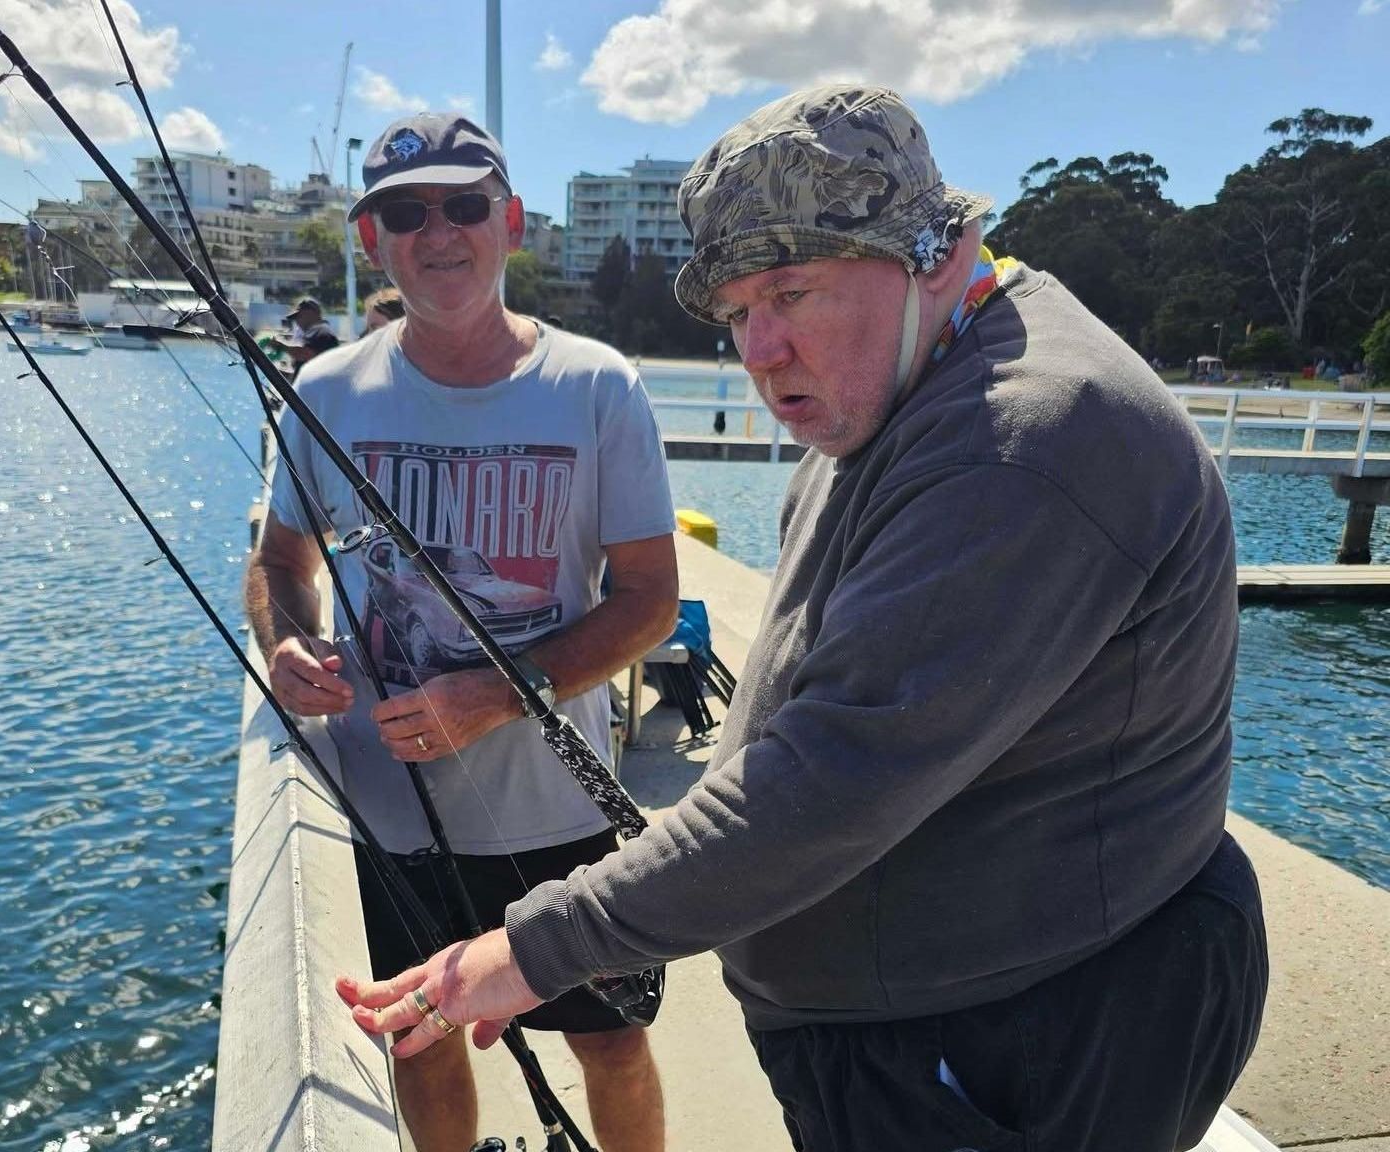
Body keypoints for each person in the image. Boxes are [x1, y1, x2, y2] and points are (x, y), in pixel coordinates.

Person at [339, 85, 1269, 1151]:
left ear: (936, 248)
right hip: (920, 1023)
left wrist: (532, 950)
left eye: (794, 289)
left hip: (1029, 1045)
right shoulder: (902, 381)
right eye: (738, 312)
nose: (761, 352)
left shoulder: (1024, 443)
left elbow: (833, 779)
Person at [247, 110, 676, 1152]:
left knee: (611, 1046)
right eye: (404, 211)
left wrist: (499, 694)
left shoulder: (600, 386)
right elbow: (278, 566)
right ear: (371, 241)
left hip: (559, 813)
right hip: (391, 815)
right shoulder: (326, 390)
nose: (437, 231)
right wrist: (287, 645)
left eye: (464, 205)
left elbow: (649, 600)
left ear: (512, 223)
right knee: (419, 1038)